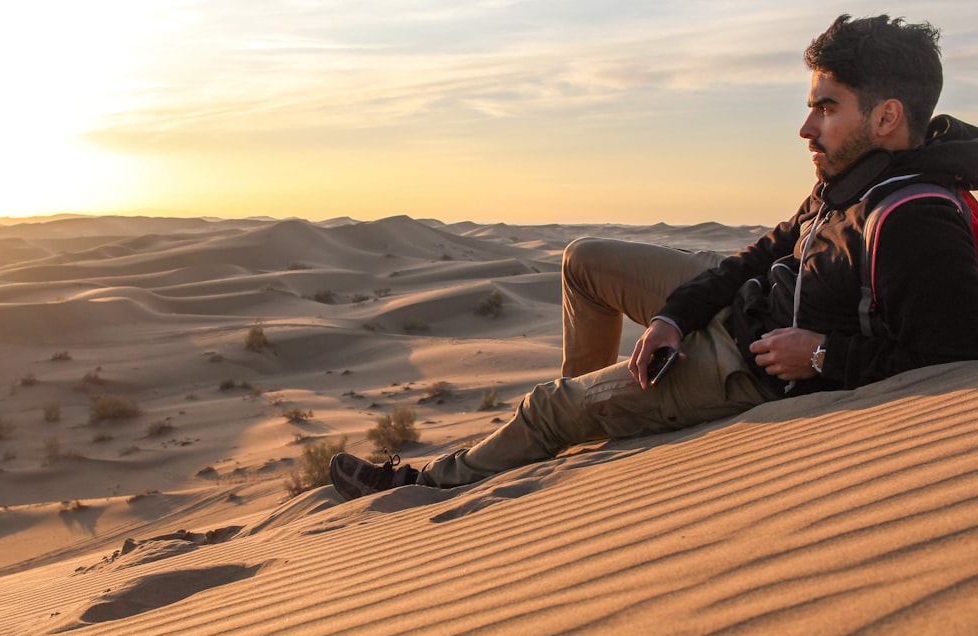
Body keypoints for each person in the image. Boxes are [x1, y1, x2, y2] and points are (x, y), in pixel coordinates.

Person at [330, 14, 978, 500]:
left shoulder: (912, 221)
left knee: (547, 407)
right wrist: (673, 314)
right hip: (736, 312)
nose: (806, 128)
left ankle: (428, 484)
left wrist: (819, 355)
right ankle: (572, 422)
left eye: (826, 108)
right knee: (584, 260)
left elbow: (949, 357)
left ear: (888, 117)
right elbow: (762, 253)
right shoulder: (850, 176)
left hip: (748, 366)